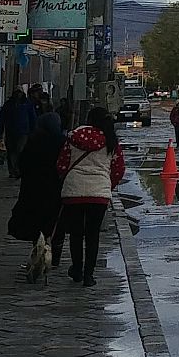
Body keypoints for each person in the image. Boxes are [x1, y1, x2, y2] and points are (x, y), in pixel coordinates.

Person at [57, 106, 124, 285]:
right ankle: (89, 275)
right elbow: (118, 169)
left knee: (76, 234)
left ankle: (77, 269)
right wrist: (108, 185)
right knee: (93, 235)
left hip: (74, 191)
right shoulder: (110, 140)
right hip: (99, 193)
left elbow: (62, 164)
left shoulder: (74, 137)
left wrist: (66, 178)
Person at [9, 110, 69, 266]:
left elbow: (22, 164)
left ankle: (38, 251)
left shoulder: (33, 141)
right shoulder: (62, 142)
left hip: (33, 189)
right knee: (56, 224)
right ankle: (54, 258)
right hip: (56, 189)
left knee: (36, 223)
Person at [2, 86, 35, 178]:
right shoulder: (8, 104)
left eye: (19, 92)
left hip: (23, 132)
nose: (18, 94)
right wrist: (0, 131)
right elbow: (2, 118)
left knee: (20, 151)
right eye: (16, 92)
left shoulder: (27, 104)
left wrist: (33, 131)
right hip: (10, 132)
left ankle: (18, 169)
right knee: (11, 152)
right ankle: (12, 170)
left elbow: (32, 118)